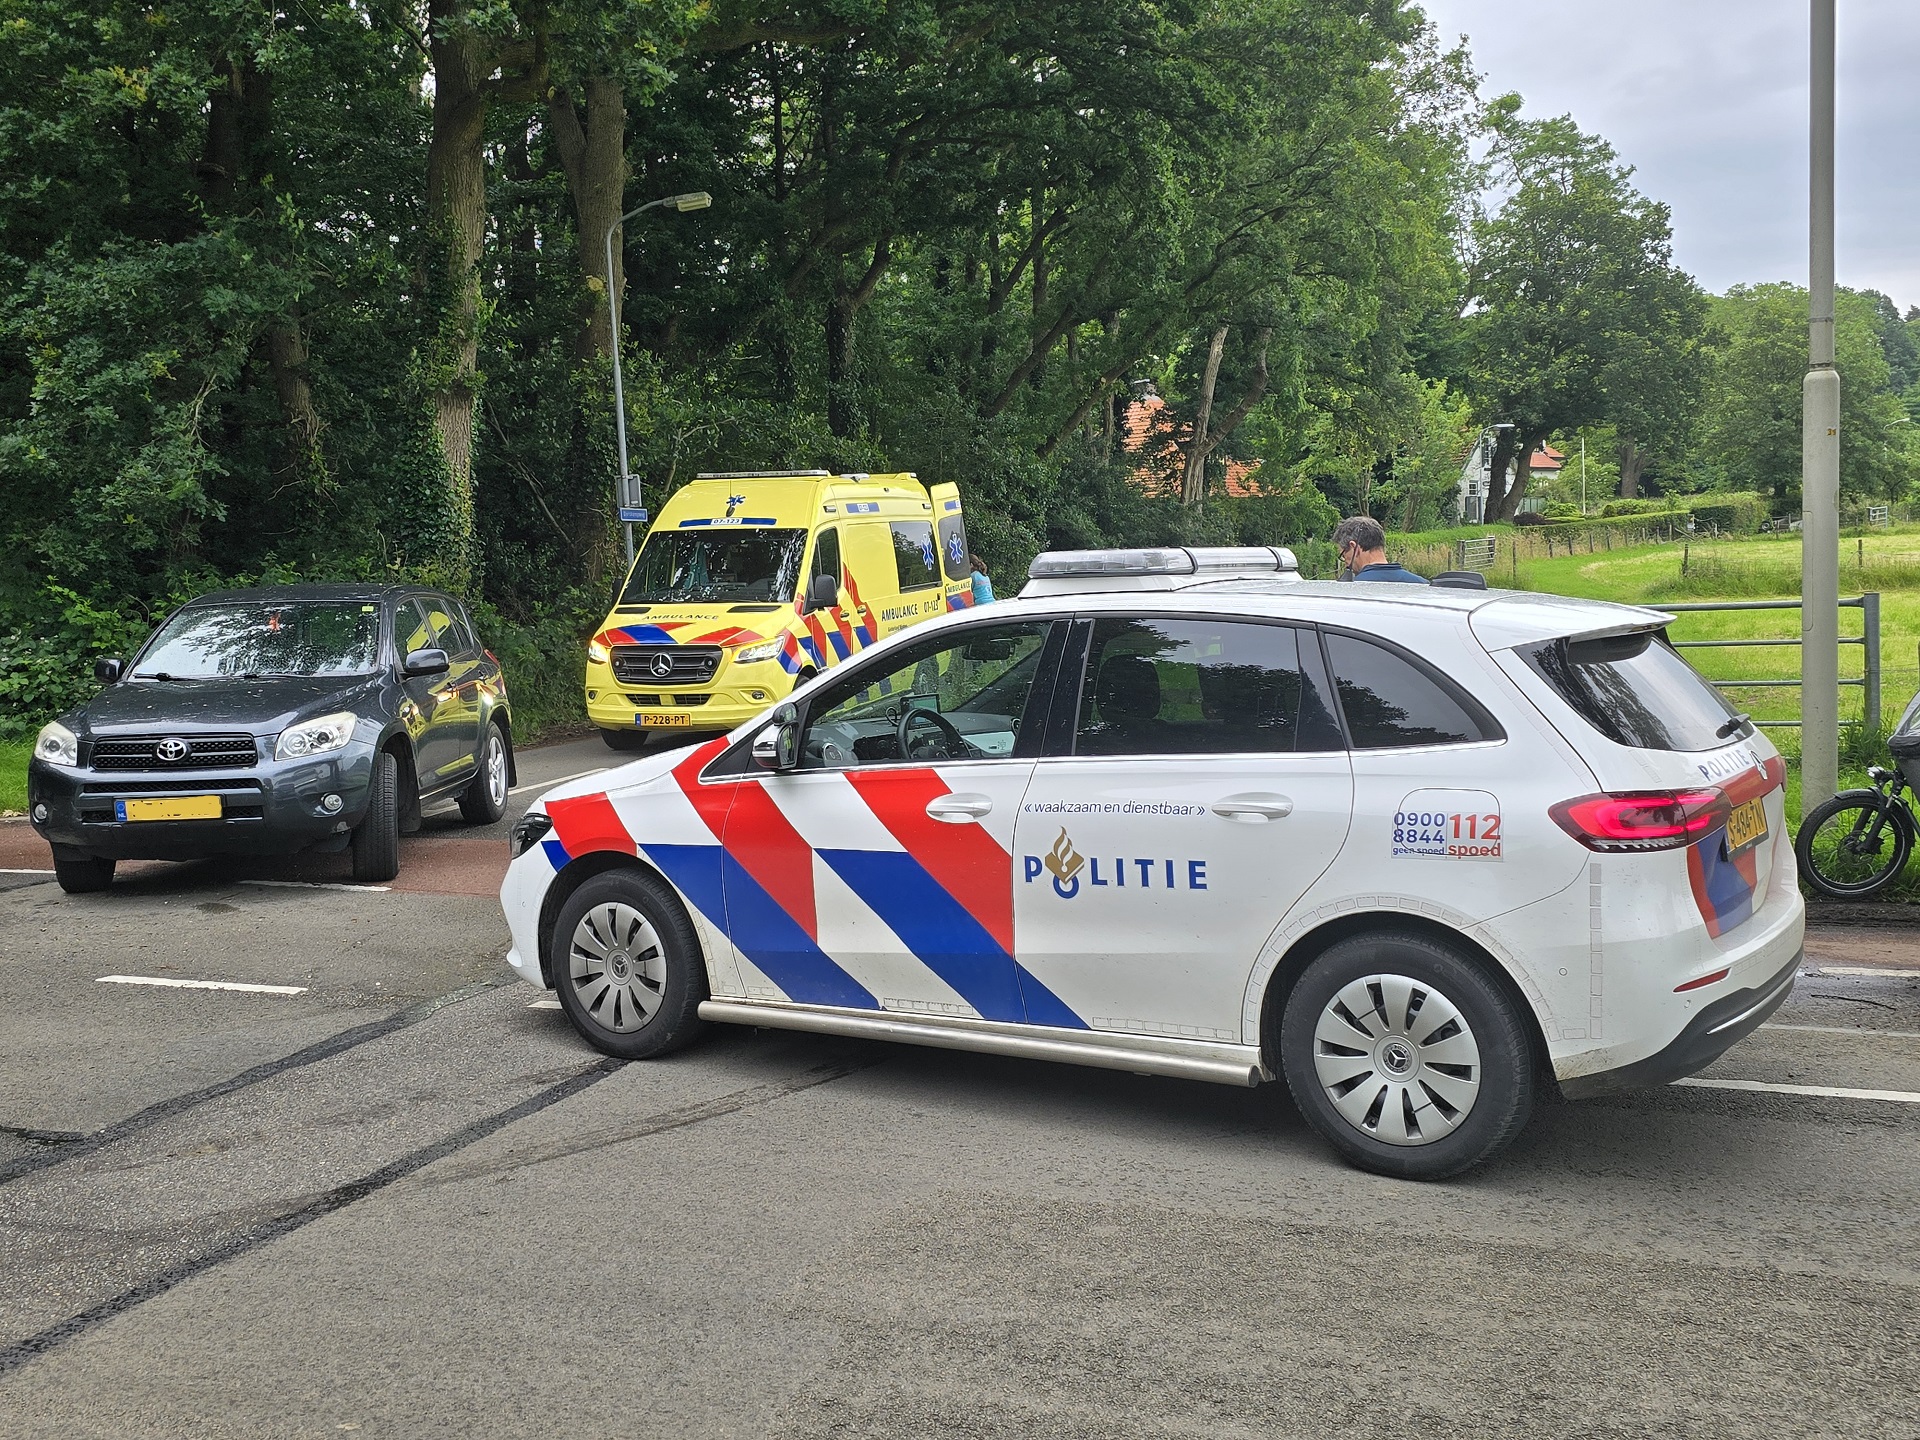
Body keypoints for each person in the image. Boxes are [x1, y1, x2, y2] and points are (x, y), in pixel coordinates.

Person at [1332, 516, 1428, 584]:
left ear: (1354, 548)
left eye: (1343, 555)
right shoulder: (1423, 585)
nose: (1345, 563)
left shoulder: (1350, 591)